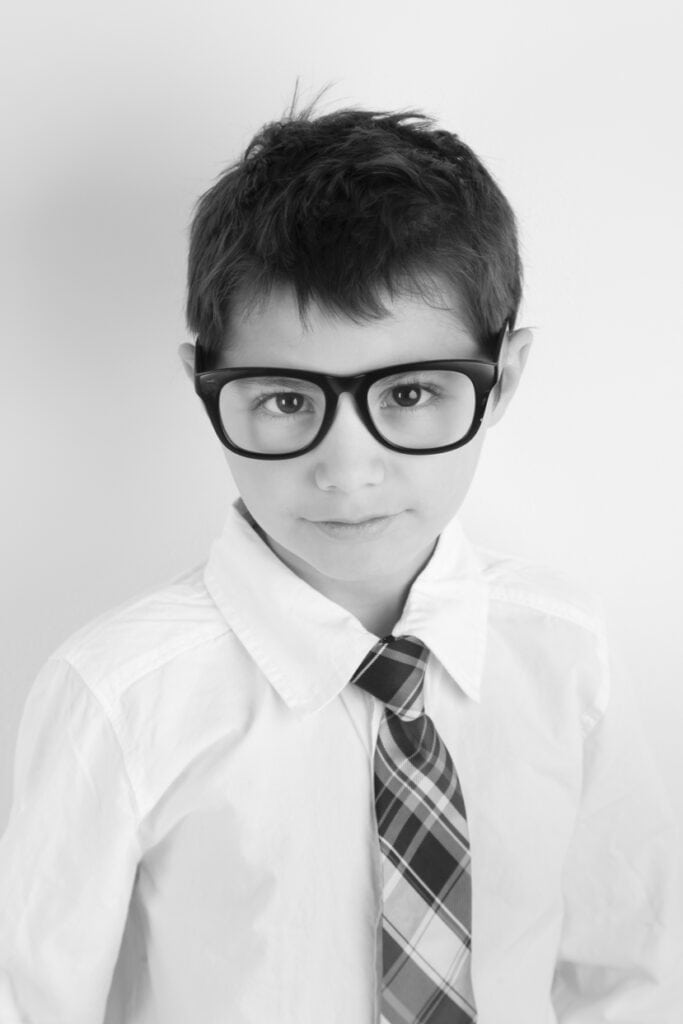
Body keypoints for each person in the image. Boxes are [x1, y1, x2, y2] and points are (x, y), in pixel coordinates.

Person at [0, 100, 680, 1024]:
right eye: (285, 400)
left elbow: (625, 974)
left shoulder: (565, 654)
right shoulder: (121, 696)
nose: (347, 471)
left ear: (503, 380)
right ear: (204, 386)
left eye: (410, 393)